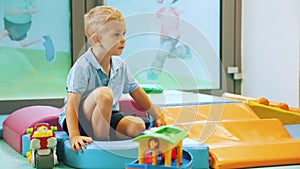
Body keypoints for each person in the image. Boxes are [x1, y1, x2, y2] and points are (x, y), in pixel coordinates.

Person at [58, 6, 166, 152]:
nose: (123, 40)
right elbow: (72, 104)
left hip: (107, 116)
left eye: (124, 34)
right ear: (97, 39)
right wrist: (74, 135)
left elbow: (137, 92)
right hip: (80, 119)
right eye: (116, 35)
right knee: (104, 93)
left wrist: (156, 114)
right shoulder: (83, 67)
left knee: (138, 126)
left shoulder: (120, 66)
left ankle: (105, 135)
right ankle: (103, 143)